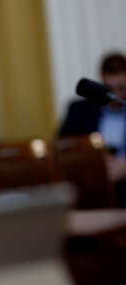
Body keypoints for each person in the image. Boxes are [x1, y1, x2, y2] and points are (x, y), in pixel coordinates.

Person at [59, 52, 126, 205]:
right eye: (109, 89)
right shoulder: (79, 111)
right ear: (101, 82)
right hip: (90, 189)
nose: (115, 95)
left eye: (121, 88)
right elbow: (61, 150)